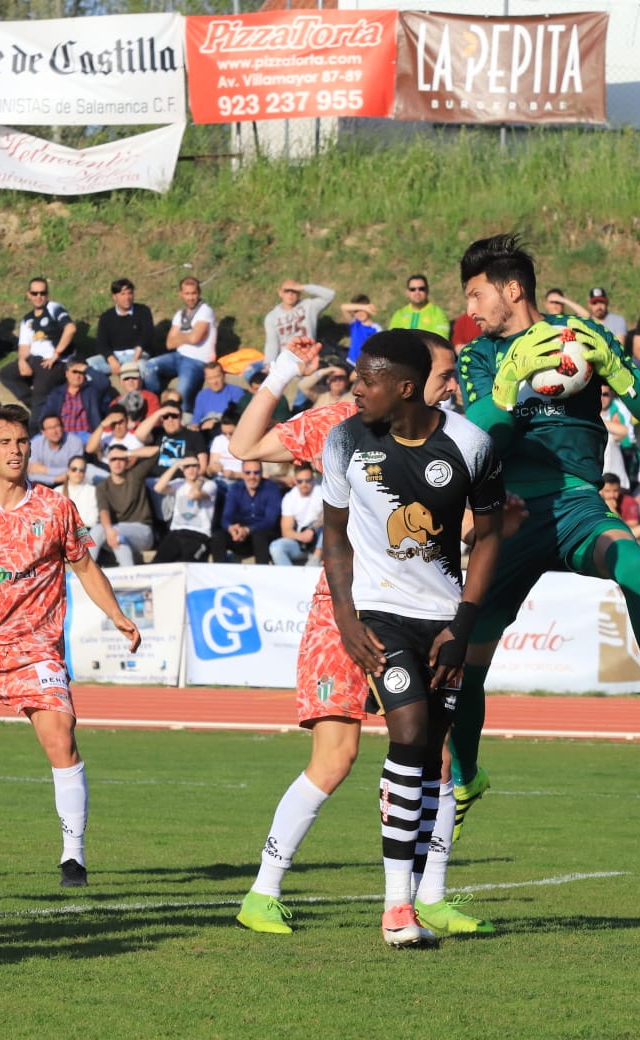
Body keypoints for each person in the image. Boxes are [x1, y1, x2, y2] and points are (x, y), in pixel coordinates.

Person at [232, 333, 493, 939]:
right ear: (410, 377)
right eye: (443, 372)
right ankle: (262, 890)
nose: (449, 383)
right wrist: (284, 371)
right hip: (340, 612)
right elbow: (242, 445)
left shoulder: (455, 436)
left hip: (418, 612)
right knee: (337, 756)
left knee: (441, 754)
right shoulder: (337, 424)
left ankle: (429, 896)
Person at [453, 234, 640, 796]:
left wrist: (616, 370)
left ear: (511, 290)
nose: (468, 310)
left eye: (475, 295)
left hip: (575, 502)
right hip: (509, 511)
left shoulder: (585, 337)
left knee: (634, 566)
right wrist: (508, 379)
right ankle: (467, 778)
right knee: (467, 663)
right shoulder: (479, 354)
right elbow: (478, 438)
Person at [318, 330, 503, 947]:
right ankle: (397, 907)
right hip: (379, 614)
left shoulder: (471, 444)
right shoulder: (344, 440)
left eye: (365, 382)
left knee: (431, 755)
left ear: (403, 388)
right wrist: (347, 619)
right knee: (409, 731)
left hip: (445, 617)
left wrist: (464, 625)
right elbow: (335, 535)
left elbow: (492, 537)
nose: (354, 391)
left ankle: (420, 897)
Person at [0, 404, 139, 886]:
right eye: (5, 442)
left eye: (22, 442)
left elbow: (84, 566)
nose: (16, 450)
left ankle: (73, 858)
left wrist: (117, 614)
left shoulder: (56, 506)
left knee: (61, 737)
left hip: (36, 649)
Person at [0, 278, 78, 418]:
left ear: (47, 294)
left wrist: (56, 354)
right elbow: (24, 345)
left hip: (56, 361)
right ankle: (34, 404)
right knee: (6, 374)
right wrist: (22, 361)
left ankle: (37, 425)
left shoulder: (53, 308)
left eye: (42, 293)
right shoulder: (27, 319)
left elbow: (70, 329)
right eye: (35, 293)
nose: (39, 297)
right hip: (34, 359)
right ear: (28, 294)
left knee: (41, 388)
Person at [92, 444, 156, 567]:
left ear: (127, 461)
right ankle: (87, 572)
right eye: (113, 459)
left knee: (115, 533)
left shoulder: (135, 476)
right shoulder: (102, 486)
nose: (117, 463)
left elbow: (156, 451)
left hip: (142, 532)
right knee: (104, 531)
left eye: (120, 459)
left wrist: (127, 453)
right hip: (116, 534)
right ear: (108, 462)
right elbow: (103, 511)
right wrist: (109, 529)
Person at [164, 277, 217, 420]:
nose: (191, 297)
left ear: (199, 293)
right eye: (187, 294)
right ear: (180, 294)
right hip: (177, 357)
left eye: (193, 293)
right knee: (148, 367)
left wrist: (180, 337)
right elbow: (169, 343)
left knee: (180, 393)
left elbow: (195, 339)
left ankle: (184, 423)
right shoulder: (179, 315)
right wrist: (188, 335)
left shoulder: (205, 311)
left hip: (196, 360)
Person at [213, 458, 283, 564]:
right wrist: (231, 528)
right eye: (248, 473)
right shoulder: (235, 489)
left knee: (259, 536)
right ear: (243, 474)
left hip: (263, 534)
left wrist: (248, 529)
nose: (252, 477)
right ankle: (218, 573)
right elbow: (226, 517)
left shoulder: (271, 488)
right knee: (218, 536)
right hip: (240, 535)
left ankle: (262, 572)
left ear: (261, 473)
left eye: (256, 472)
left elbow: (270, 520)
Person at [91, 278, 157, 382]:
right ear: (115, 297)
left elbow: (147, 335)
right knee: (88, 366)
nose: (127, 297)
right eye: (122, 294)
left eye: (130, 293)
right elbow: (101, 344)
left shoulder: (143, 311)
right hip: (115, 356)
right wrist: (111, 359)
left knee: (146, 369)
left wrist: (136, 356)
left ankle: (153, 395)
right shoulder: (106, 317)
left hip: (138, 355)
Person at [153, 457, 217, 563]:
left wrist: (200, 479)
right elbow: (158, 488)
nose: (191, 469)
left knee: (189, 565)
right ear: (182, 469)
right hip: (177, 532)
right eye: (187, 466)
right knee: (157, 565)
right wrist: (175, 466)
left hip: (199, 534)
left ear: (199, 467)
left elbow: (194, 495)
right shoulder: (179, 483)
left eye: (194, 466)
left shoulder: (210, 485)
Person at [264, 279, 335, 361]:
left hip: (307, 356)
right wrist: (268, 364)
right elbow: (272, 344)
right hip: (286, 359)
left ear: (299, 293)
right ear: (280, 293)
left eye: (294, 291)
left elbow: (330, 295)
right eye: (287, 291)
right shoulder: (271, 317)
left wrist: (303, 287)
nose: (290, 294)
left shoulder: (309, 306)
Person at [42, 359, 111, 439]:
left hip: (86, 435)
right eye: (74, 372)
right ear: (66, 373)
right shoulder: (57, 393)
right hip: (63, 436)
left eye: (81, 373)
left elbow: (105, 383)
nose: (77, 376)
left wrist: (87, 369)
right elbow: (46, 414)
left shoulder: (92, 390)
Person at [29, 414, 85, 488]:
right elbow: (31, 475)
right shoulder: (35, 444)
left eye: (57, 426)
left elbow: (75, 471)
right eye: (50, 428)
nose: (54, 431)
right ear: (43, 432)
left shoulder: (75, 442)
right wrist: (55, 479)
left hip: (68, 485)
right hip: (41, 485)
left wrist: (45, 470)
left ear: (62, 427)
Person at [387, 274, 450, 338]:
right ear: (407, 292)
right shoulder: (399, 315)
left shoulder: (437, 314)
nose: (417, 292)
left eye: (421, 289)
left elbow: (440, 341)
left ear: (427, 290)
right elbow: (392, 339)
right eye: (412, 289)